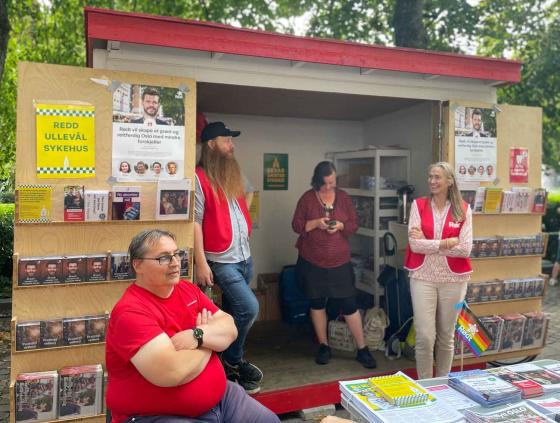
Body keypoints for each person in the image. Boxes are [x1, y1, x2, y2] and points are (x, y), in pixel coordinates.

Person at [105, 229, 279, 423]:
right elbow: (173, 371)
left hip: (223, 398)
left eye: (177, 254)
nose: (175, 262)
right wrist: (207, 343)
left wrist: (197, 335)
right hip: (159, 416)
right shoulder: (131, 312)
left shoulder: (186, 289)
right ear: (138, 265)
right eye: (163, 258)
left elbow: (230, 328)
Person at [194, 121, 263, 394]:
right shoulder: (199, 177)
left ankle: (226, 368)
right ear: (212, 144)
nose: (231, 146)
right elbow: (195, 222)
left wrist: (243, 229)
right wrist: (200, 262)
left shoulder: (232, 172)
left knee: (236, 313)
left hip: (244, 256)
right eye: (227, 141)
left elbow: (248, 194)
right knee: (250, 308)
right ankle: (233, 361)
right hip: (221, 259)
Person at [291, 161, 376, 369]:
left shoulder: (344, 198)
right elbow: (296, 225)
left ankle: (362, 349)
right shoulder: (307, 199)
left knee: (349, 304)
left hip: (340, 262)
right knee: (317, 303)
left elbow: (354, 224)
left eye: (333, 182)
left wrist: (340, 226)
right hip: (312, 261)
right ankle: (323, 346)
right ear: (317, 181)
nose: (330, 187)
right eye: (326, 183)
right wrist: (316, 223)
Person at [404, 161, 473, 379]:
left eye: (437, 177)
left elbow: (464, 249)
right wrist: (444, 243)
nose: (432, 181)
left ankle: (442, 382)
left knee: (446, 335)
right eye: (430, 176)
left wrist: (430, 243)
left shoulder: (464, 209)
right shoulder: (419, 205)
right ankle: (425, 383)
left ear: (450, 181)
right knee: (425, 335)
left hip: (454, 280)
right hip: (422, 276)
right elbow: (415, 245)